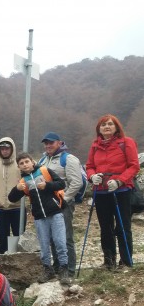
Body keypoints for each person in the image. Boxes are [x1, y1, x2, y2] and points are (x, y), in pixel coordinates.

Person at [86, 114, 140, 270]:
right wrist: (92, 176)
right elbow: (89, 166)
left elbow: (134, 166)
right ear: (99, 129)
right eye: (103, 125)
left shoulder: (126, 143)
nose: (106, 127)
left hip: (122, 190)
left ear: (116, 127)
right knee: (105, 227)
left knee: (123, 225)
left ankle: (126, 262)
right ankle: (109, 261)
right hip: (101, 191)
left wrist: (119, 181)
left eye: (110, 124)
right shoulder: (95, 145)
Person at [8, 152, 70, 283]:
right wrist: (17, 189)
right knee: (44, 245)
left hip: (55, 213)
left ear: (32, 161)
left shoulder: (44, 170)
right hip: (39, 217)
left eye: (26, 162)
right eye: (21, 163)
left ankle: (64, 270)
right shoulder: (23, 181)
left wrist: (47, 185)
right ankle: (48, 270)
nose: (25, 165)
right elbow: (11, 198)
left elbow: (61, 184)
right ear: (19, 167)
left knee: (60, 242)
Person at [39, 132, 84, 271]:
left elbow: (76, 183)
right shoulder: (43, 160)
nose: (48, 145)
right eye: (46, 143)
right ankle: (59, 266)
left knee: (65, 237)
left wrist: (63, 199)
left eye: (51, 142)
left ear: (59, 143)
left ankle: (69, 269)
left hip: (64, 204)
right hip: (48, 205)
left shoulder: (69, 159)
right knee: (53, 237)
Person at [0, 138, 22, 254]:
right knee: (2, 238)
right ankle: (2, 265)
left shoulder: (20, 166)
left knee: (18, 237)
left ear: (12, 149)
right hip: (0, 208)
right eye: (2, 149)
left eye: (7, 148)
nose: (5, 151)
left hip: (18, 208)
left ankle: (15, 262)